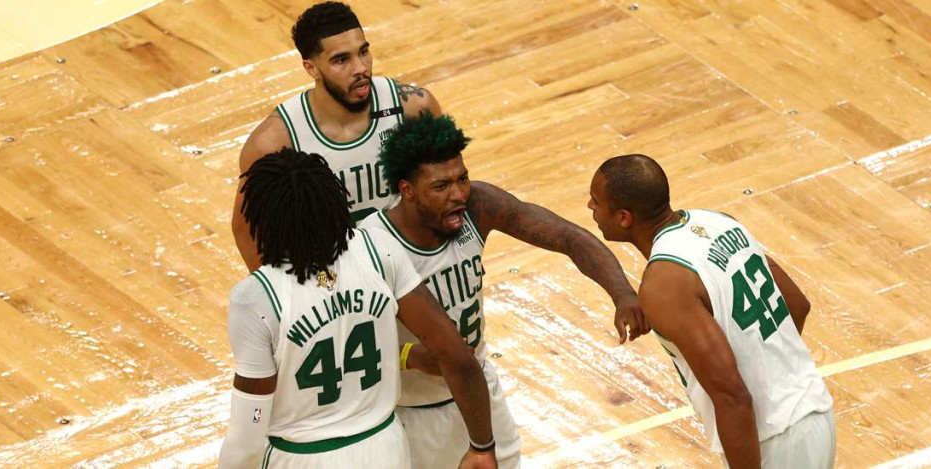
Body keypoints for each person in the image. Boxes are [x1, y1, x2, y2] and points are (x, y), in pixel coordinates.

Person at [358, 113, 646, 469]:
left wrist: (622, 293)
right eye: (441, 186)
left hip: (481, 390)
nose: (458, 194)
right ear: (407, 190)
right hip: (413, 412)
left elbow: (568, 237)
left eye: (462, 179)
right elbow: (346, 343)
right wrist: (409, 356)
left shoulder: (478, 206)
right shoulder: (371, 245)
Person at [218, 148, 496, 469]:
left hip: (301, 457)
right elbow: (457, 356)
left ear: (263, 220)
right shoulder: (378, 249)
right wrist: (482, 446)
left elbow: (248, 433)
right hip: (386, 448)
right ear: (335, 202)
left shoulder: (255, 297)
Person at [586, 154, 835, 469]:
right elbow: (797, 305)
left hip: (774, 439)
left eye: (596, 201)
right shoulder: (719, 222)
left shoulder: (664, 282)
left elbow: (732, 397)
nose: (590, 207)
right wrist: (768, 367)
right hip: (814, 410)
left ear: (624, 217)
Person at [232, 1, 442, 272]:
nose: (360, 68)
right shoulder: (274, 142)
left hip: (414, 267)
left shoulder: (413, 107)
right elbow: (247, 231)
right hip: (337, 281)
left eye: (363, 52)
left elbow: (449, 187)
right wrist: (285, 293)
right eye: (342, 60)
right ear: (311, 68)